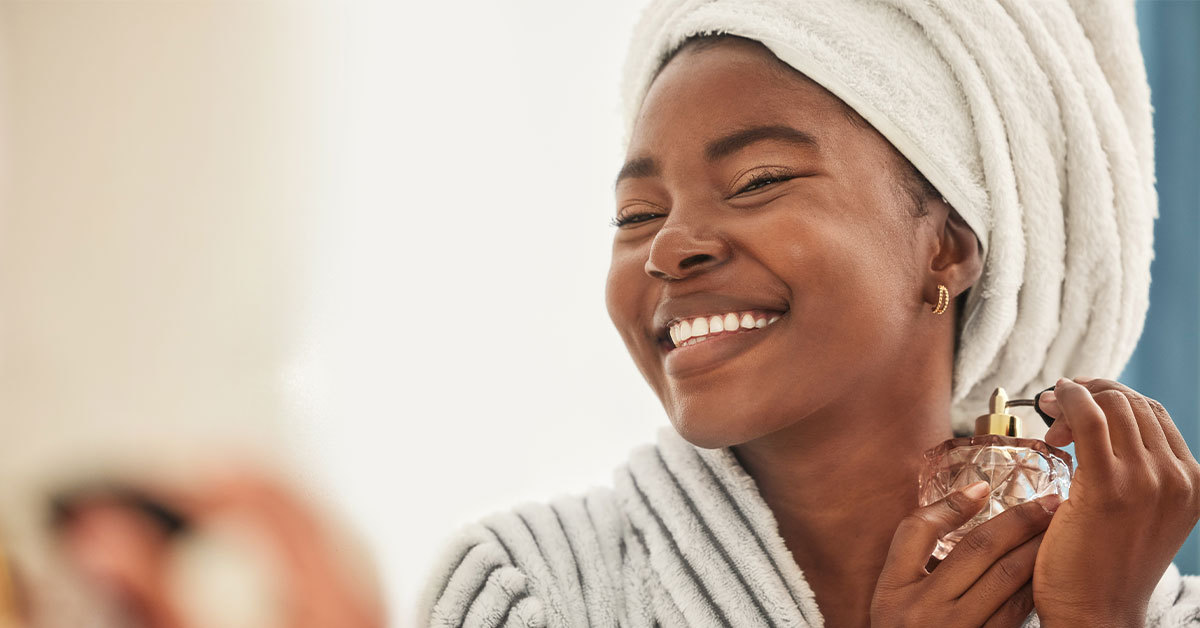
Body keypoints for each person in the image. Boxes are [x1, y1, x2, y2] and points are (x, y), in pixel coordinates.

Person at [417, 1, 1200, 626]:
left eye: (758, 180)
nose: (667, 248)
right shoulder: (526, 591)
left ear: (948, 249)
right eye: (635, 214)